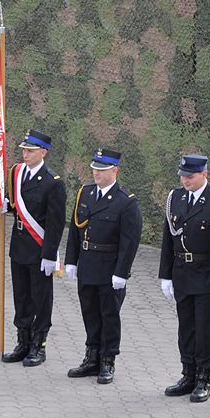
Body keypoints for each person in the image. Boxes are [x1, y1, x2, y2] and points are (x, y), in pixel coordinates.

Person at [158, 154, 210, 402]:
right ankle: (187, 373)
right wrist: (164, 275)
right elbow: (168, 238)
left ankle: (204, 377)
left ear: (205, 174)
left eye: (190, 176)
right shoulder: (175, 198)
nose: (185, 180)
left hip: (208, 274)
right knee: (186, 327)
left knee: (206, 329)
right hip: (182, 272)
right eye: (182, 176)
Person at [65, 149, 142, 384]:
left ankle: (108, 359)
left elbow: (130, 242)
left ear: (115, 170)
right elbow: (75, 230)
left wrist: (122, 272)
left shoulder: (126, 202)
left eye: (102, 169)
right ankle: (92, 356)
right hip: (88, 263)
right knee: (89, 312)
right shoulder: (86, 193)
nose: (96, 173)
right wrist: (71, 259)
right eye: (95, 168)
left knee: (109, 315)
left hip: (109, 268)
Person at [0, 129, 66, 366]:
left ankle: (39, 345)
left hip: (39, 250)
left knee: (40, 298)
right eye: (24, 150)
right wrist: (5, 205)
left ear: (43, 153)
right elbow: (17, 206)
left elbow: (55, 223)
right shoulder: (17, 173)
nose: (25, 155)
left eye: (30, 151)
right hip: (19, 245)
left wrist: (50, 255)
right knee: (22, 296)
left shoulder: (52, 183)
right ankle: (23, 341)